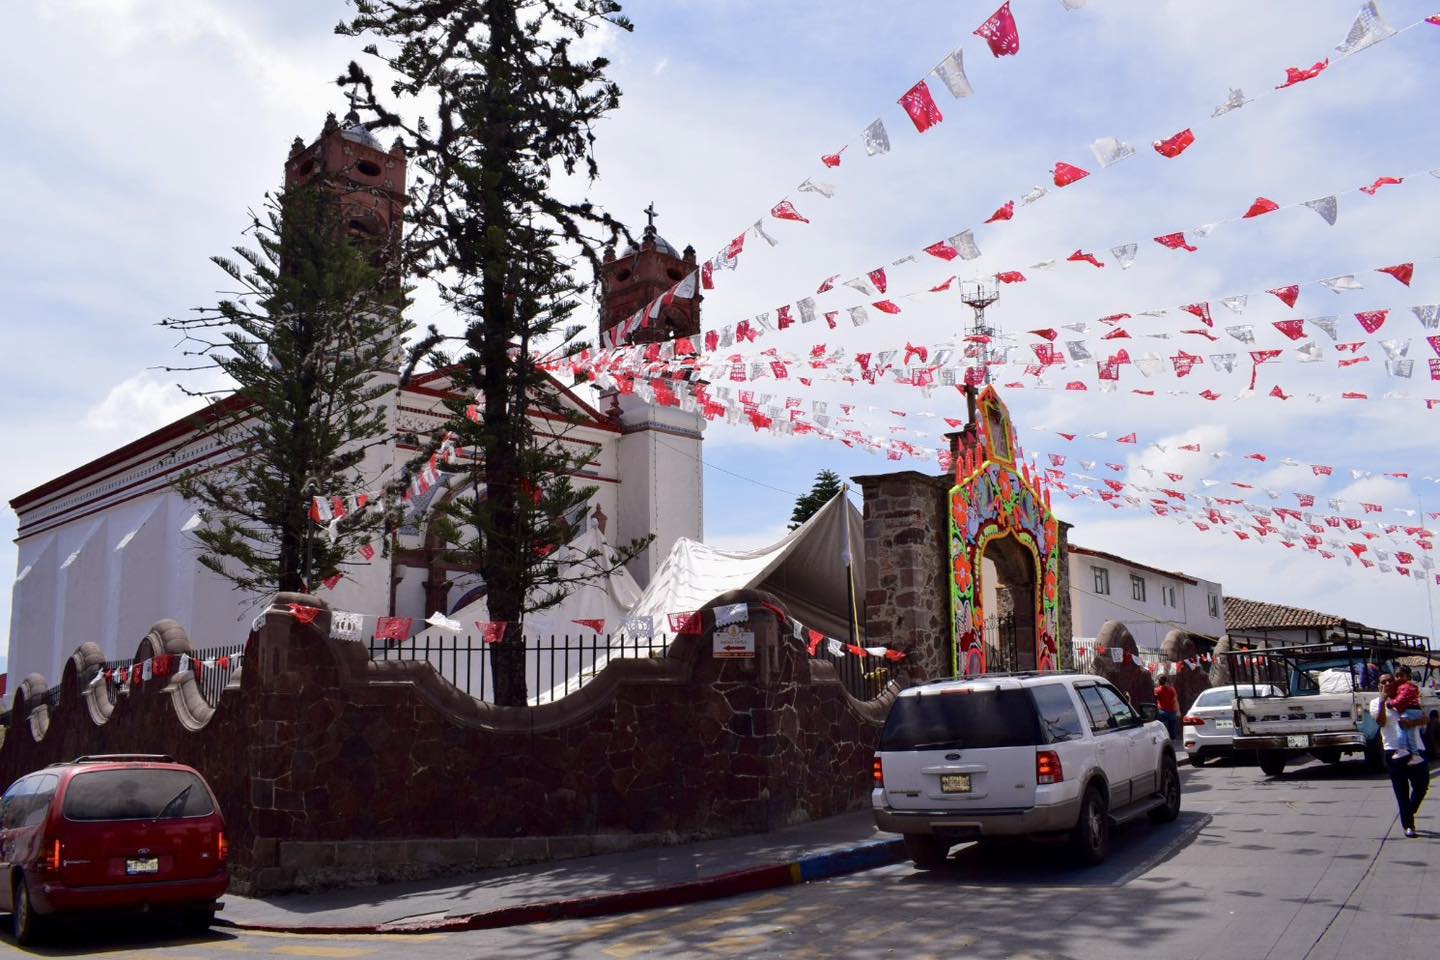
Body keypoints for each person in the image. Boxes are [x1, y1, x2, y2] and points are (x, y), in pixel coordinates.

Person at [1372, 674, 1430, 838]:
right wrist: (1383, 701)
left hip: (1416, 749)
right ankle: (1408, 825)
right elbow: (1381, 722)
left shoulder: (1408, 698)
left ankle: (1408, 812)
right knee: (1401, 790)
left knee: (1422, 785)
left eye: (1391, 681)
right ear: (1379, 686)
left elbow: (1425, 719)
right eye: (1383, 682)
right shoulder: (1376, 703)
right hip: (1393, 751)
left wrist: (1411, 723)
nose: (1388, 683)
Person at [1387, 665, 1426, 765]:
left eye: (1401, 675)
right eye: (1397, 676)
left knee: (1402, 728)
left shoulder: (1405, 687)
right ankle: (1415, 754)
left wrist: (1391, 704)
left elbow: (1401, 699)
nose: (1398, 678)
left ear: (1408, 676)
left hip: (1410, 710)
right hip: (1413, 710)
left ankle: (1402, 749)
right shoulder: (1409, 686)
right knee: (1410, 733)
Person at [1154, 674, 1180, 741]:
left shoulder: (1157, 690)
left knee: (1160, 726)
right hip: (1171, 711)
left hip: (1161, 711)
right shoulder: (1172, 689)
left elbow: (1154, 699)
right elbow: (1175, 700)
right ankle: (1172, 738)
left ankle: (1162, 738)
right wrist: (1178, 711)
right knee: (1172, 727)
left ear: (1159, 682)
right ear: (1166, 681)